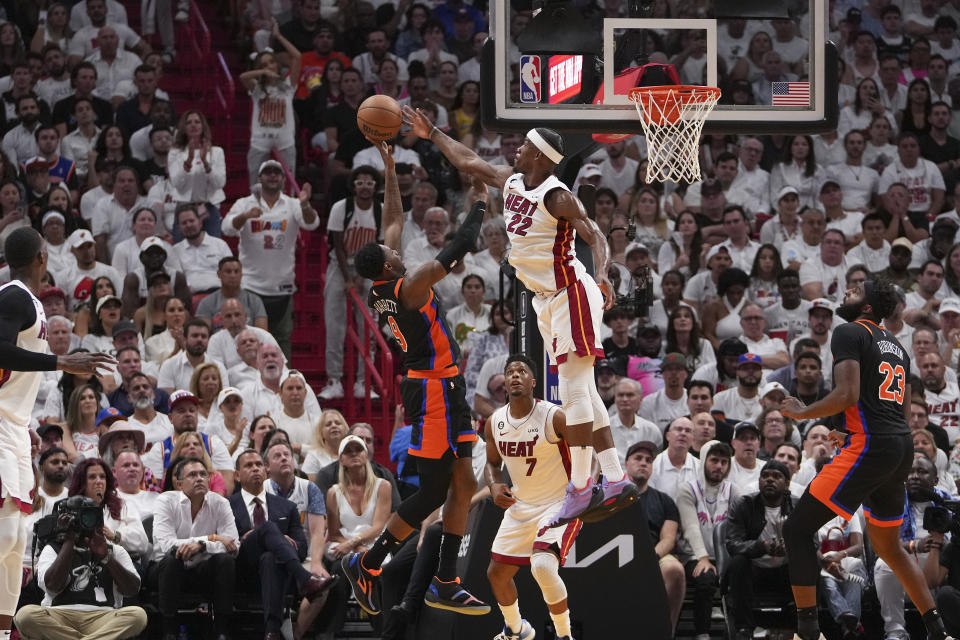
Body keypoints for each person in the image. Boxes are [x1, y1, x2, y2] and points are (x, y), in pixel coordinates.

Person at [404, 110, 635, 526]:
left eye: (525, 145)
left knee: (575, 390)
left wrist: (602, 273)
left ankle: (582, 487)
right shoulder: (511, 182)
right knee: (583, 391)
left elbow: (594, 233)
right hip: (546, 300)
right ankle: (615, 479)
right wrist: (433, 133)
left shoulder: (557, 195)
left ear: (541, 158)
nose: (517, 148)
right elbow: (469, 161)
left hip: (571, 294)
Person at [343, 141, 489, 616]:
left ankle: (445, 581)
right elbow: (461, 246)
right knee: (431, 491)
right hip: (430, 390)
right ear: (388, 264)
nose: (397, 246)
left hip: (448, 387)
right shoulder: (410, 286)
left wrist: (389, 167)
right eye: (392, 250)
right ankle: (369, 562)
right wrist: (480, 202)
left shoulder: (384, 279)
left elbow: (392, 217)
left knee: (463, 483)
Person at [781, 278, 955, 640]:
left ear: (867, 307)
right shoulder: (899, 349)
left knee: (796, 529)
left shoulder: (848, 332)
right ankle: (937, 631)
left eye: (855, 289)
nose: (847, 291)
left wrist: (802, 413)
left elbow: (847, 394)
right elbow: (901, 414)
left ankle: (807, 631)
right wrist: (851, 435)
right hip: (899, 446)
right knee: (889, 546)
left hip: (872, 444)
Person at [0, 227, 113, 636]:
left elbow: (10, 376)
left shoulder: (27, 302)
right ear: (42, 257)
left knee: (15, 545)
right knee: (5, 536)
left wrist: (25, 421)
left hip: (12, 424)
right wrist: (61, 363)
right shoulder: (13, 295)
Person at [484, 354, 584, 640]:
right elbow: (491, 463)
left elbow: (587, 449)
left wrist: (586, 486)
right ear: (504, 381)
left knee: (541, 565)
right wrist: (493, 486)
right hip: (521, 505)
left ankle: (565, 635)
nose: (515, 375)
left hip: (559, 503)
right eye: (510, 371)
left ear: (533, 382)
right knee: (496, 574)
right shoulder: (495, 421)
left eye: (522, 371)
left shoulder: (554, 416)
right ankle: (515, 630)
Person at [228, 449, 336, 638]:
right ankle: (305, 579)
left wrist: (289, 544)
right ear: (236, 475)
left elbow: (302, 548)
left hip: (275, 571)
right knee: (269, 527)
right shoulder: (226, 504)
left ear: (266, 471)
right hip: (241, 567)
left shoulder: (286, 506)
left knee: (270, 557)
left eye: (258, 465)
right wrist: (258, 535)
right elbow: (226, 541)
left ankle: (272, 632)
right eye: (248, 465)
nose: (255, 469)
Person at [13, 494, 147, 640]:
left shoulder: (115, 550)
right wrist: (69, 542)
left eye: (90, 516)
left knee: (138, 615)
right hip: (60, 615)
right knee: (25, 616)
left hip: (103, 617)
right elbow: (52, 586)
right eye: (80, 517)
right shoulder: (52, 549)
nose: (85, 522)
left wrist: (106, 557)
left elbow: (132, 589)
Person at [222, 159, 318, 358]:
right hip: (250, 286)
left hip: (282, 286)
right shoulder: (244, 203)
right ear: (260, 178)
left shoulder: (292, 204)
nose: (272, 175)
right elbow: (227, 227)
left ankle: (284, 385)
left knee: (281, 342)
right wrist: (246, 216)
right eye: (268, 172)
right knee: (248, 340)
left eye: (277, 172)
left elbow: (312, 223)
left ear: (283, 178)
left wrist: (305, 204)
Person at [150, 457, 238, 640]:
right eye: (192, 475)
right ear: (179, 483)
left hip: (201, 570)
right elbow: (165, 544)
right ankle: (169, 632)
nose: (199, 478)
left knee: (225, 561)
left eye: (203, 474)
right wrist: (210, 538)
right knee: (173, 559)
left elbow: (233, 544)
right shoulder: (165, 501)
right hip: (164, 570)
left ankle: (222, 631)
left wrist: (203, 545)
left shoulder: (220, 503)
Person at [724, 460, 798, 639]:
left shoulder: (798, 506)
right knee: (738, 561)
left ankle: (804, 622)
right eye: (765, 476)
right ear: (758, 481)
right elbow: (733, 543)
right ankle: (744, 628)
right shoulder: (744, 504)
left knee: (810, 561)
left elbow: (813, 543)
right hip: (754, 571)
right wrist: (762, 547)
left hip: (786, 571)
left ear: (787, 484)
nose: (770, 480)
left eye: (776, 476)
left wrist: (791, 549)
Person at [675, 439, 737, 640]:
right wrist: (702, 558)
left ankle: (743, 630)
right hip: (692, 555)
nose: (719, 466)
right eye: (714, 460)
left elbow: (737, 530)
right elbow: (691, 527)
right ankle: (702, 633)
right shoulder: (688, 489)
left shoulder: (733, 491)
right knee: (706, 577)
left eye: (724, 462)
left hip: (723, 557)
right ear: (704, 462)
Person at [624, 440, 686, 635]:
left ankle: (666, 632)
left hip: (654, 555)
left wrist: (649, 558)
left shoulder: (665, 501)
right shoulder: (609, 498)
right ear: (626, 463)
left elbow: (668, 539)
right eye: (638, 458)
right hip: (616, 553)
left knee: (674, 569)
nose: (644, 463)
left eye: (649, 460)